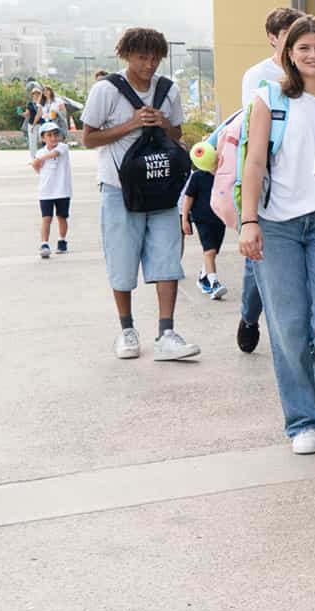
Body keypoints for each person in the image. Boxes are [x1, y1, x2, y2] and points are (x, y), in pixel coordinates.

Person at [239, 15, 315, 455]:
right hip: (278, 226)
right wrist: (249, 222)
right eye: (303, 48)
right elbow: (254, 164)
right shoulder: (269, 98)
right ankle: (302, 419)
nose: (312, 55)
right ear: (288, 54)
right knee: (288, 328)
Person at [79, 27, 201, 363]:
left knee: (167, 259)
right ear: (126, 56)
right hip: (119, 189)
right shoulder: (106, 90)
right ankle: (127, 330)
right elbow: (88, 138)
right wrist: (131, 124)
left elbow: (177, 133)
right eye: (141, 57)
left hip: (161, 187)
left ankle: (166, 333)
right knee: (122, 259)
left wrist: (162, 124)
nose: (149, 64)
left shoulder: (168, 89)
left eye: (155, 58)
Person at [235, 5, 304, 355]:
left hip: (307, 190)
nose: (298, 44)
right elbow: (256, 135)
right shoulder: (258, 76)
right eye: (289, 36)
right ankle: (249, 316)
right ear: (272, 38)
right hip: (269, 188)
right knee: (256, 265)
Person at [182, 140, 230, 301]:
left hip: (220, 218)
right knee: (209, 251)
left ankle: (203, 278)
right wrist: (185, 219)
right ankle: (215, 284)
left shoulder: (224, 175)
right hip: (202, 219)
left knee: (214, 251)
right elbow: (188, 198)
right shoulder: (197, 177)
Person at [30, 121, 72, 259]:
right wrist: (37, 163)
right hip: (46, 191)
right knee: (46, 218)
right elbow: (37, 169)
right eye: (49, 135)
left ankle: (62, 241)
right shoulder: (40, 152)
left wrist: (38, 160)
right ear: (43, 138)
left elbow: (54, 154)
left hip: (62, 190)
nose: (53, 138)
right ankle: (44, 243)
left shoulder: (63, 147)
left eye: (55, 134)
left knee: (61, 217)